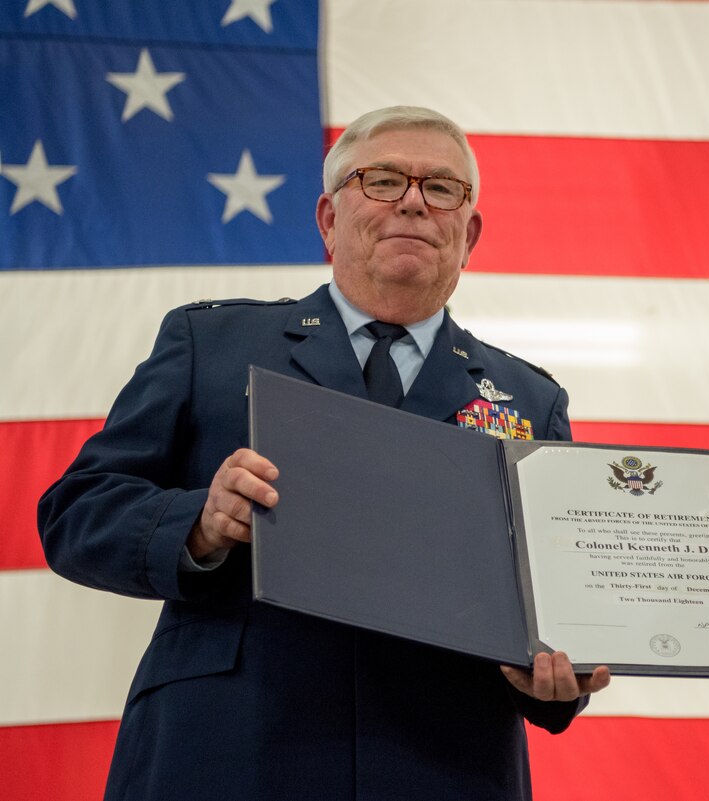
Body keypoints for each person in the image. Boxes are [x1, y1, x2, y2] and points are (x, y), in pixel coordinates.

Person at [38, 105, 609, 801]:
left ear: (471, 233)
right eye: (382, 179)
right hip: (226, 752)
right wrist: (200, 521)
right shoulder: (208, 345)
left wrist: (557, 680)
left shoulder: (529, 399)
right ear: (329, 220)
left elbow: (556, 614)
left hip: (442, 764)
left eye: (441, 188)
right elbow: (77, 511)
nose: (412, 201)